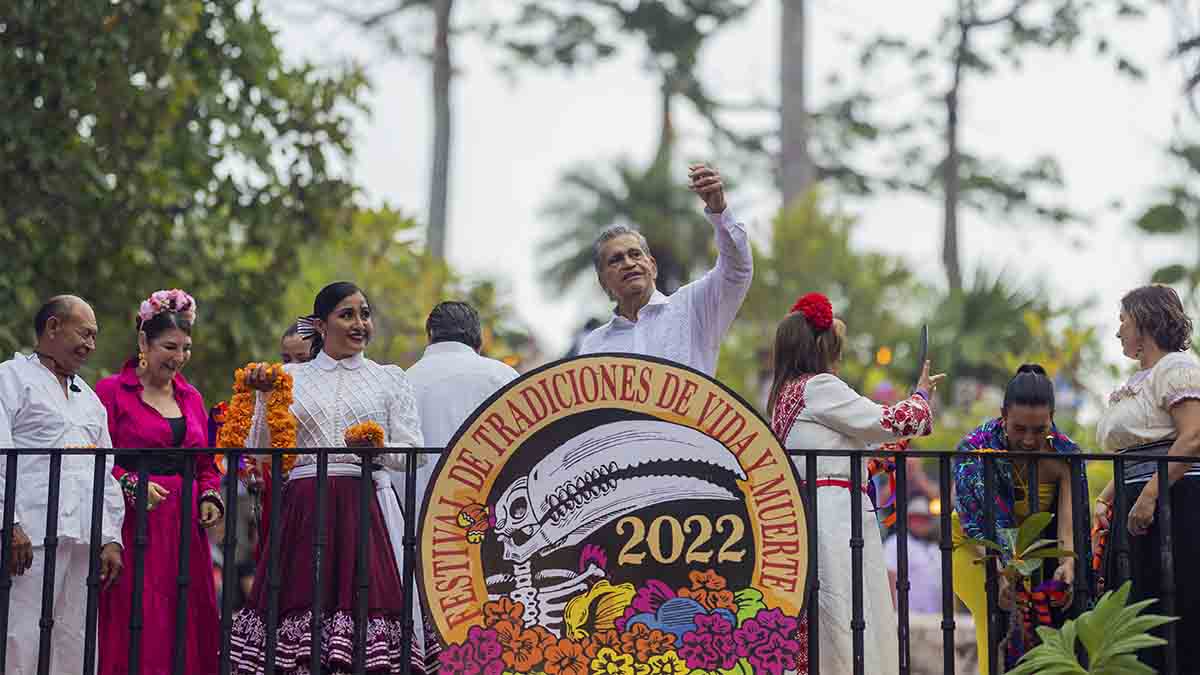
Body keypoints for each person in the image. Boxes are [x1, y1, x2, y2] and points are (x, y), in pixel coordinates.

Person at [227, 281, 423, 674]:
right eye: (347, 314)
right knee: (299, 608)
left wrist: (377, 450)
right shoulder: (289, 377)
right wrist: (261, 398)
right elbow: (262, 449)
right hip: (303, 509)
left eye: (364, 314)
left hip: (361, 510)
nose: (359, 324)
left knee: (363, 610)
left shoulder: (388, 377)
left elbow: (412, 452)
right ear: (320, 325)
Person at [767, 292, 942, 675]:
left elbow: (860, 454)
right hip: (833, 516)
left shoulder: (784, 394)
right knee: (845, 612)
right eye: (836, 349)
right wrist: (921, 396)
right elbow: (887, 420)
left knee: (834, 615)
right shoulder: (817, 387)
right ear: (819, 348)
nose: (839, 359)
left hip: (819, 509)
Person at [94, 289, 223, 675]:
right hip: (134, 524)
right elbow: (97, 460)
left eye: (186, 348)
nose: (179, 357)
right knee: (139, 614)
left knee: (185, 615)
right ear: (142, 342)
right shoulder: (111, 393)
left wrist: (210, 495)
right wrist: (129, 483)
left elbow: (205, 464)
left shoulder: (192, 397)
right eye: (170, 346)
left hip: (185, 527)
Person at [0, 295, 125, 675]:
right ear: (53, 327)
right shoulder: (11, 377)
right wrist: (10, 522)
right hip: (29, 538)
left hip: (82, 539)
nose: (90, 345)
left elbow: (104, 470)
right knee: (20, 636)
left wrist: (110, 537)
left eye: (94, 336)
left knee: (75, 639)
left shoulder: (89, 398)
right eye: (84, 333)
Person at [398, 300, 519, 672]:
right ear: (478, 339)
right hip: (491, 535)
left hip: (415, 532)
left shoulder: (403, 380)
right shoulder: (502, 378)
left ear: (429, 337)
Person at [1092, 284, 1200, 669]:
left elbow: (1192, 438)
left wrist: (1151, 496)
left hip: (1175, 503)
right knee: (1142, 608)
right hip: (1141, 501)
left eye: (1123, 320)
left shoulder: (1176, 368)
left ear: (1144, 321)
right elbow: (1138, 452)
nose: (1118, 330)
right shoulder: (1142, 379)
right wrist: (1107, 497)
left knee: (1174, 607)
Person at [951, 364, 1084, 674]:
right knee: (993, 618)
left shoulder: (1064, 456)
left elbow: (1066, 525)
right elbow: (978, 524)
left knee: (1040, 630)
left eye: (1039, 429)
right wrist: (999, 573)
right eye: (1019, 428)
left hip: (1027, 554)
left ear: (1052, 416)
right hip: (972, 546)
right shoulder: (977, 449)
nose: (1027, 439)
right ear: (1003, 415)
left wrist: (1068, 564)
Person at [579, 164, 752, 375]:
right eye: (615, 260)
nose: (628, 263)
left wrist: (719, 211)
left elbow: (737, 270)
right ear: (603, 281)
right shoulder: (594, 347)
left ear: (652, 265)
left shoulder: (693, 307)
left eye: (635, 254)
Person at [884, 496, 942, 614]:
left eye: (924, 518)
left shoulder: (935, 548)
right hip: (907, 616)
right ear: (908, 520)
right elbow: (889, 578)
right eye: (916, 518)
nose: (921, 522)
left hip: (935, 618)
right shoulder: (895, 543)